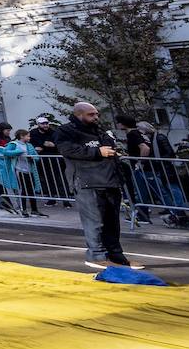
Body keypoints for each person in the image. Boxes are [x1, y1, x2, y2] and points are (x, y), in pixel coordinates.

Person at [55, 102, 143, 270]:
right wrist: (97, 152)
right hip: (87, 181)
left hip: (110, 181)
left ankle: (116, 256)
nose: (96, 117)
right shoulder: (65, 131)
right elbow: (68, 150)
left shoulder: (100, 131)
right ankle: (96, 255)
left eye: (96, 114)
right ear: (79, 114)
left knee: (112, 222)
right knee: (95, 222)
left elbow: (110, 149)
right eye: (91, 114)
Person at [0, 130, 43, 216]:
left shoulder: (29, 145)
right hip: (19, 170)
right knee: (22, 190)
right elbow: (6, 152)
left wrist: (33, 158)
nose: (29, 138)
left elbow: (36, 157)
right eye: (28, 136)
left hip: (29, 170)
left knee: (31, 190)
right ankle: (24, 210)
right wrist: (18, 152)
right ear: (22, 136)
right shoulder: (14, 144)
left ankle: (34, 209)